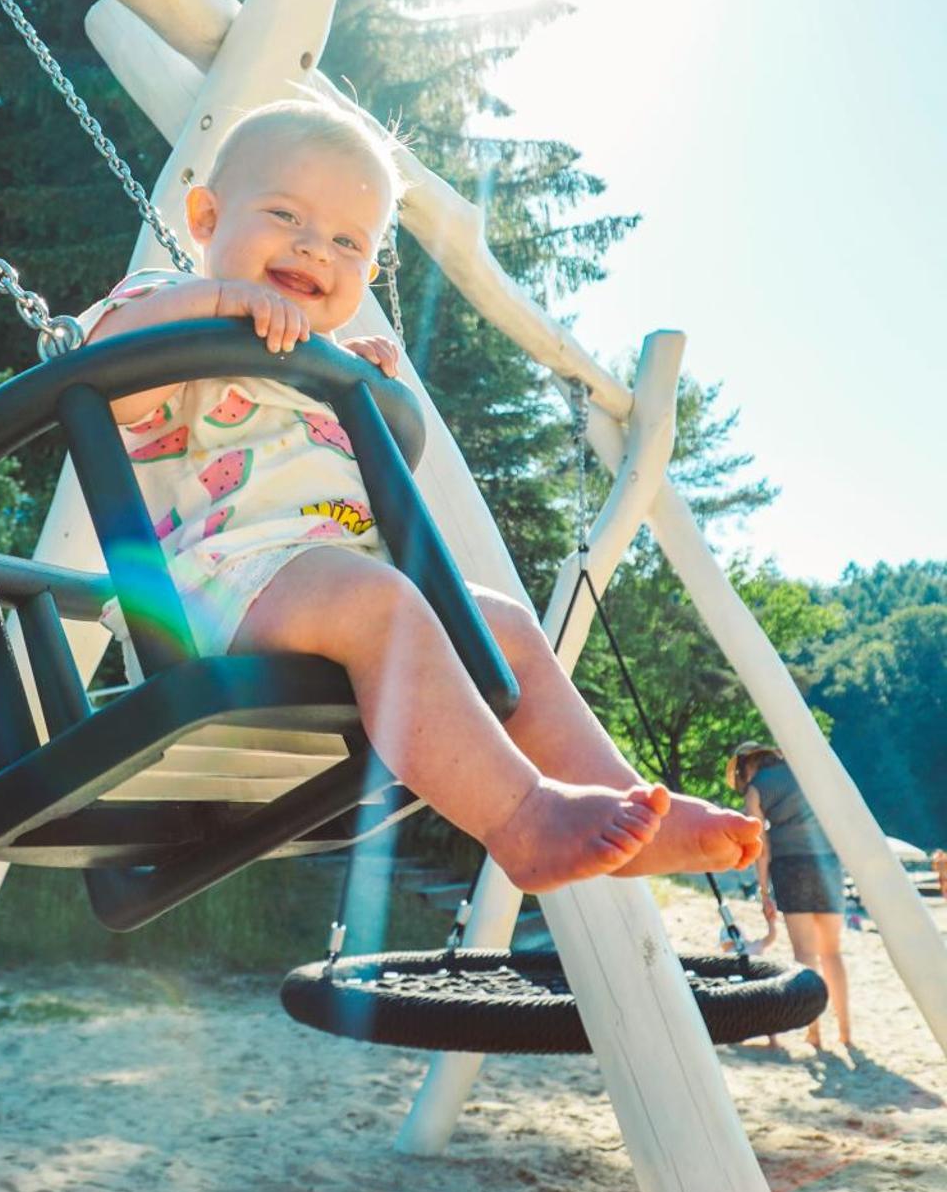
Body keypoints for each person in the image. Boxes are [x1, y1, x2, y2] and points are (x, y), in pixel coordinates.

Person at [85, 96, 762, 896]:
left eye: (346, 241)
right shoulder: (166, 309)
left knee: (503, 626)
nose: (314, 248)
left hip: (333, 591)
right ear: (204, 216)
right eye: (284, 214)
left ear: (367, 273)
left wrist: (347, 378)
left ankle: (623, 797)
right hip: (208, 601)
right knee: (380, 601)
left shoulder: (314, 362)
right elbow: (99, 376)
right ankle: (522, 822)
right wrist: (215, 304)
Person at [727, 741, 852, 1048]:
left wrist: (763, 890)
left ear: (746, 766)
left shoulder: (756, 788)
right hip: (827, 865)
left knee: (805, 954)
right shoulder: (805, 772)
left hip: (791, 867)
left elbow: (761, 848)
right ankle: (846, 1033)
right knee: (832, 953)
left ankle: (814, 1031)